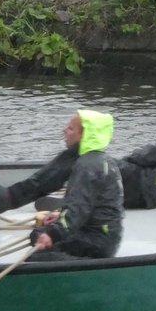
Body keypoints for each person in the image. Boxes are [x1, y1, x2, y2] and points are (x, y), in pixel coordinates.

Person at [27, 110, 124, 260]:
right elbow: (90, 205)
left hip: (96, 242)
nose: (65, 130)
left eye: (71, 128)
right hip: (106, 236)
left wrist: (52, 235)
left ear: (84, 136)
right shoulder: (102, 160)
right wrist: (60, 216)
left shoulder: (87, 166)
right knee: (38, 234)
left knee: (36, 254)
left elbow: (78, 209)